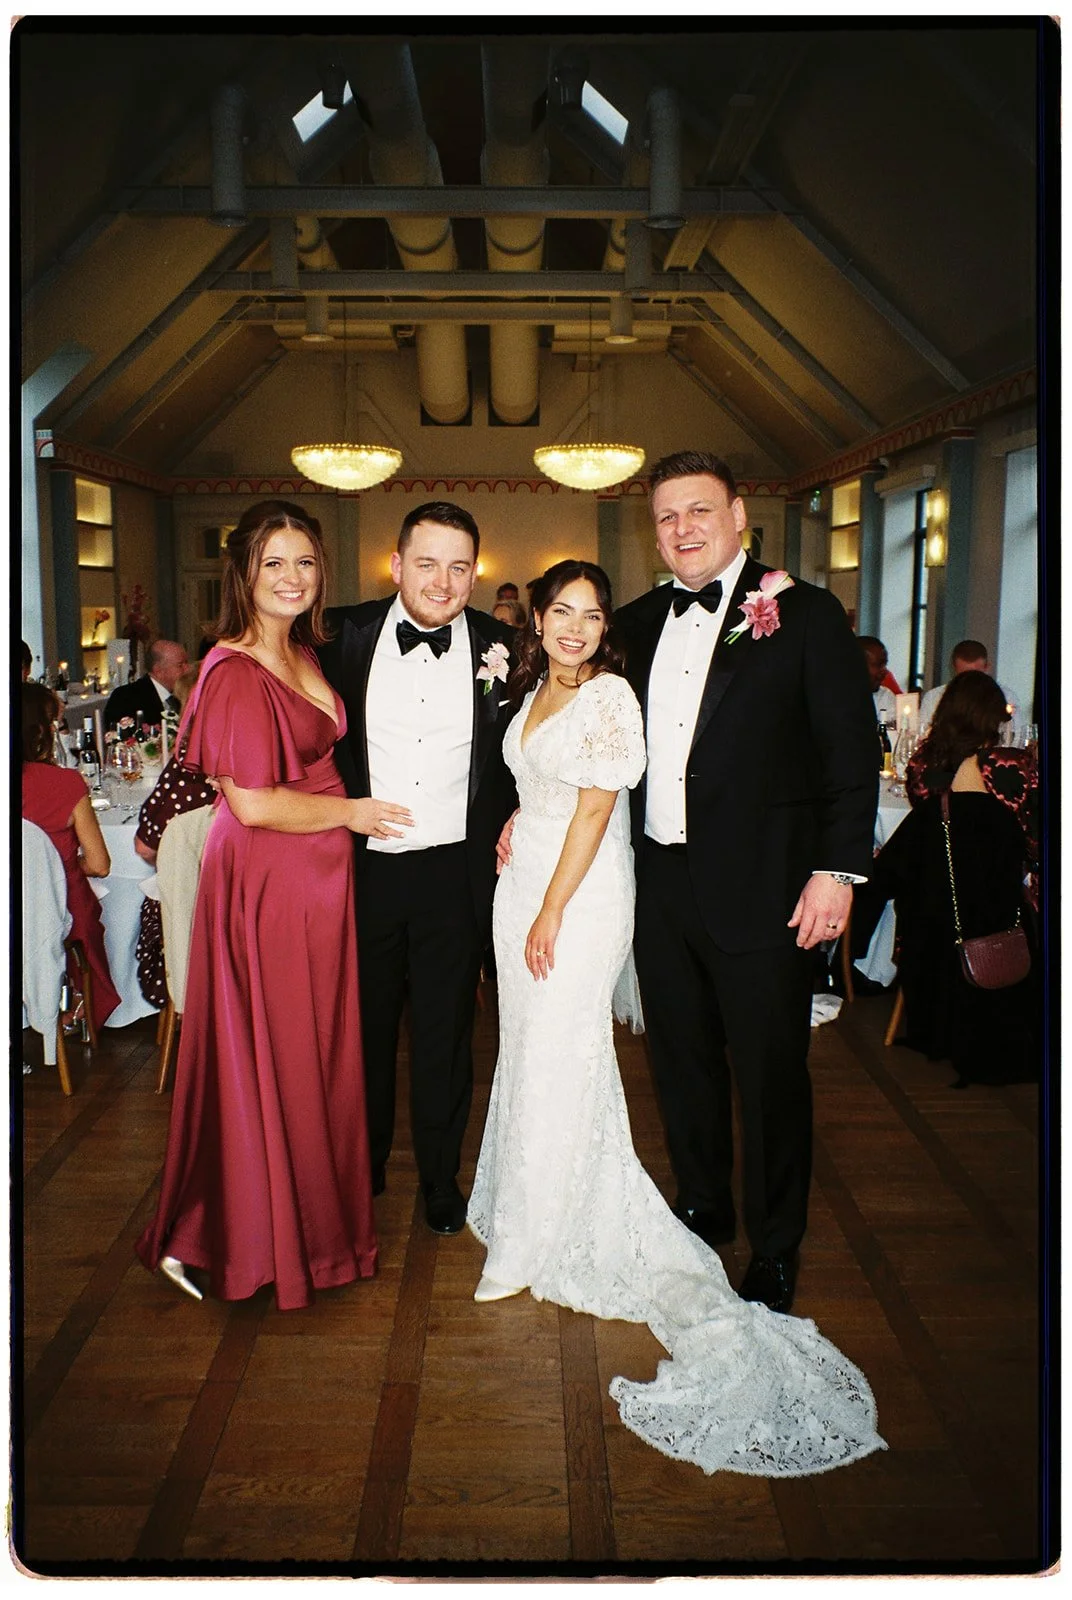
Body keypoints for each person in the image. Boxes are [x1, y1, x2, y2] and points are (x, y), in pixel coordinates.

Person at [470, 560, 884, 1478]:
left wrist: (551, 908)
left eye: (591, 614)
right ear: (536, 618)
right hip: (567, 883)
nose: (576, 626)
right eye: (561, 611)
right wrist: (517, 827)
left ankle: (739, 1246)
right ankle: (609, 1203)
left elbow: (597, 810)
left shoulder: (753, 632)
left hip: (611, 892)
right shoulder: (556, 673)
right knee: (569, 1055)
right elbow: (543, 780)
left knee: (640, 1057)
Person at [614, 451, 878, 1314]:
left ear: (737, 517)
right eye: (667, 517)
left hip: (768, 887)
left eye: (699, 510)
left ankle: (775, 1244)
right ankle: (703, 1204)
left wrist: (837, 871)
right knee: (681, 1061)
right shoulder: (637, 623)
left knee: (769, 1075)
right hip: (661, 882)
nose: (682, 528)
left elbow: (850, 751)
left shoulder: (804, 615)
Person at [136, 500, 411, 1309]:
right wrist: (352, 813)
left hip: (314, 879)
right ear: (243, 574)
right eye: (274, 563)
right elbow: (252, 803)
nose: (293, 578)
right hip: (269, 878)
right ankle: (238, 1240)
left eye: (306, 562)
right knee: (276, 1054)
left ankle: (310, 1235)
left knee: (312, 1057)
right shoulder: (230, 670)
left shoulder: (299, 650)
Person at [319, 503, 517, 1235]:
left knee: (445, 1035)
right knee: (362, 1032)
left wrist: (524, 812)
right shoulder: (337, 636)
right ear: (397, 565)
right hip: (360, 872)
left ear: (476, 573)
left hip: (455, 876)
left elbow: (531, 746)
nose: (442, 581)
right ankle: (360, 1168)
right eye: (427, 564)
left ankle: (440, 1176)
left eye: (459, 567)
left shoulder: (507, 647)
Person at [855, 671, 1038, 1085]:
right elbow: (1025, 835)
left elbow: (921, 840)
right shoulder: (1008, 765)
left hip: (935, 909)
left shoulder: (924, 763)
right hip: (997, 906)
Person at [21, 682, 121, 1035]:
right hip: (56, 908)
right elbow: (100, 865)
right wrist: (58, 865)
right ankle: (76, 1003)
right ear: (40, 730)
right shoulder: (65, 783)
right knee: (79, 900)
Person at [133, 664, 215, 1009]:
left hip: (192, 912)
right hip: (234, 903)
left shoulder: (186, 766)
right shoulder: (242, 756)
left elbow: (145, 846)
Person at [919, 639, 1020, 736]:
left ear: (987, 668)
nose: (970, 682)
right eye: (964, 676)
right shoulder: (934, 698)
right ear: (954, 670)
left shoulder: (1006, 698)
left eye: (976, 675)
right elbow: (924, 734)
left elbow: (1015, 737)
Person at [104, 638, 190, 730]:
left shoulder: (184, 695)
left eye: (186, 663)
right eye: (180, 665)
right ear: (158, 670)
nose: (187, 669)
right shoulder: (125, 698)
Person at [857, 636, 897, 726]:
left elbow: (888, 732)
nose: (885, 671)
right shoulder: (831, 697)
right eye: (879, 665)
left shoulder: (885, 696)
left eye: (885, 664)